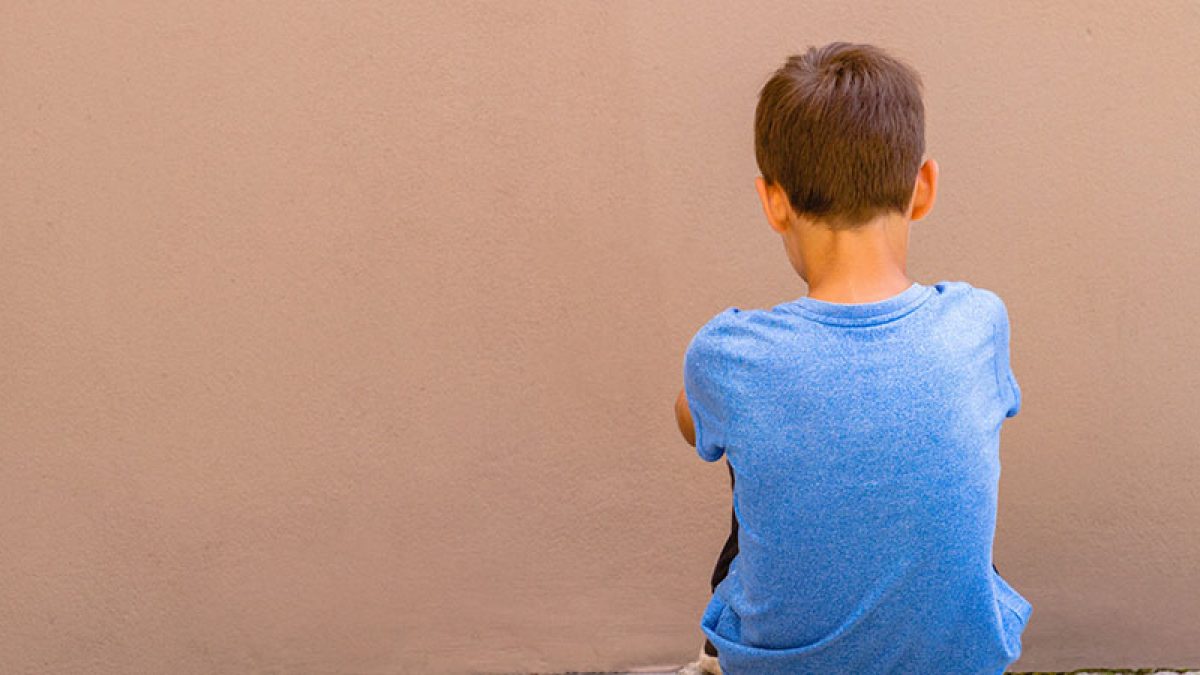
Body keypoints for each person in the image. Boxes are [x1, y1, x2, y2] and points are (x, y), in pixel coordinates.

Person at [672, 42, 1031, 674]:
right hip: (959, 662)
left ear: (773, 201)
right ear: (923, 188)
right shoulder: (979, 322)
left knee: (753, 465)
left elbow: (688, 421)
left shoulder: (729, 355)